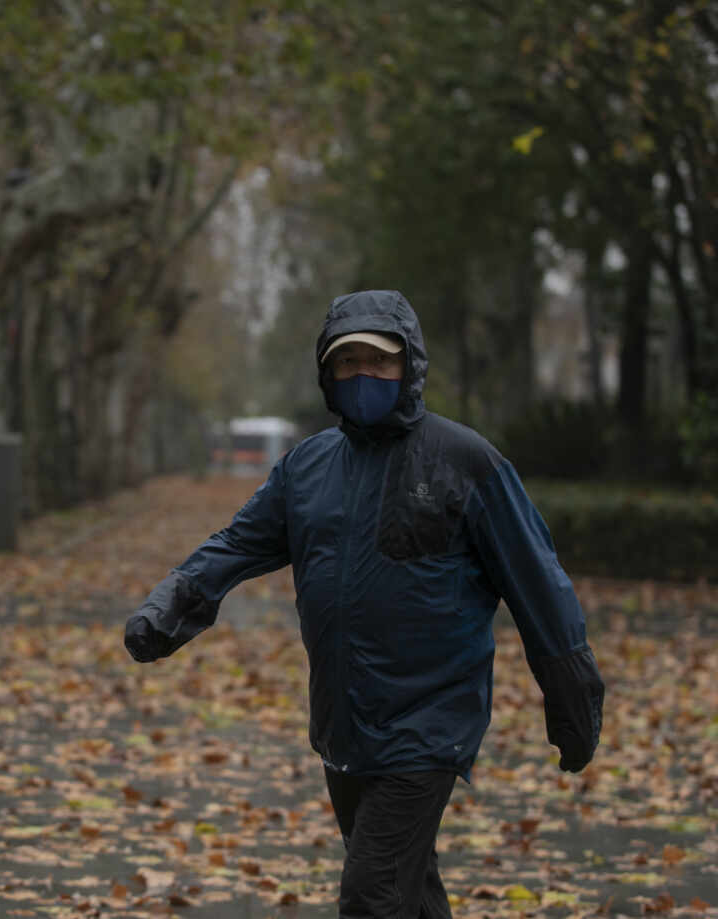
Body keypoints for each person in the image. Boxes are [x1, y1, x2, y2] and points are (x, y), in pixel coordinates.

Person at [123, 290, 605, 918]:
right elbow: (238, 545)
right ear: (328, 373)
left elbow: (540, 587)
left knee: (372, 895)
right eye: (347, 363)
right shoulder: (307, 467)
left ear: (410, 366)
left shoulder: (466, 463)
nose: (363, 376)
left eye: (379, 361)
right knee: (409, 889)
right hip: (344, 723)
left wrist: (574, 704)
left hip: (429, 725)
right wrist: (168, 609)